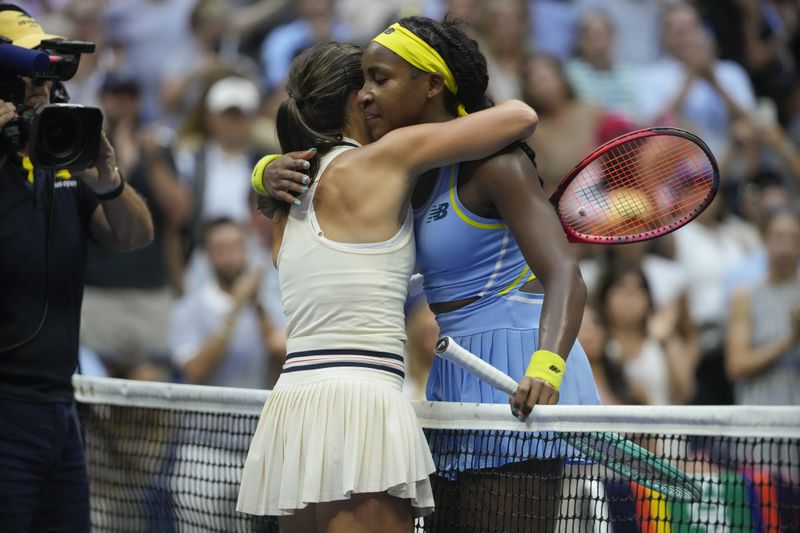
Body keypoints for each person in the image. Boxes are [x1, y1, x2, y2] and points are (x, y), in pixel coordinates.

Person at [256, 16, 601, 531]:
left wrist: (547, 365)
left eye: (380, 79)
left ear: (432, 84)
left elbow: (565, 274)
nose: (367, 96)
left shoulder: (496, 164)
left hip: (519, 367)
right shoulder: (401, 173)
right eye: (362, 83)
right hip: (453, 367)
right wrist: (265, 170)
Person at [0, 5, 154, 531]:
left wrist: (108, 179)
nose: (43, 92)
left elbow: (134, 237)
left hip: (62, 406)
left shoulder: (59, 158)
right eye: (29, 80)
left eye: (47, 79)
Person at [170, 217, 285, 389]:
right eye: (220, 248)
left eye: (236, 246)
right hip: (208, 414)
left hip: (259, 413)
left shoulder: (270, 304)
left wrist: (258, 308)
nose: (229, 256)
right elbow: (195, 370)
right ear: (206, 255)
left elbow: (282, 355)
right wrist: (236, 306)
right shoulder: (187, 309)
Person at [725, 208, 800, 405]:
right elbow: (736, 365)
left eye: (794, 239)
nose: (786, 247)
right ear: (765, 241)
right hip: (759, 418)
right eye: (779, 237)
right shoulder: (744, 296)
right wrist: (791, 339)